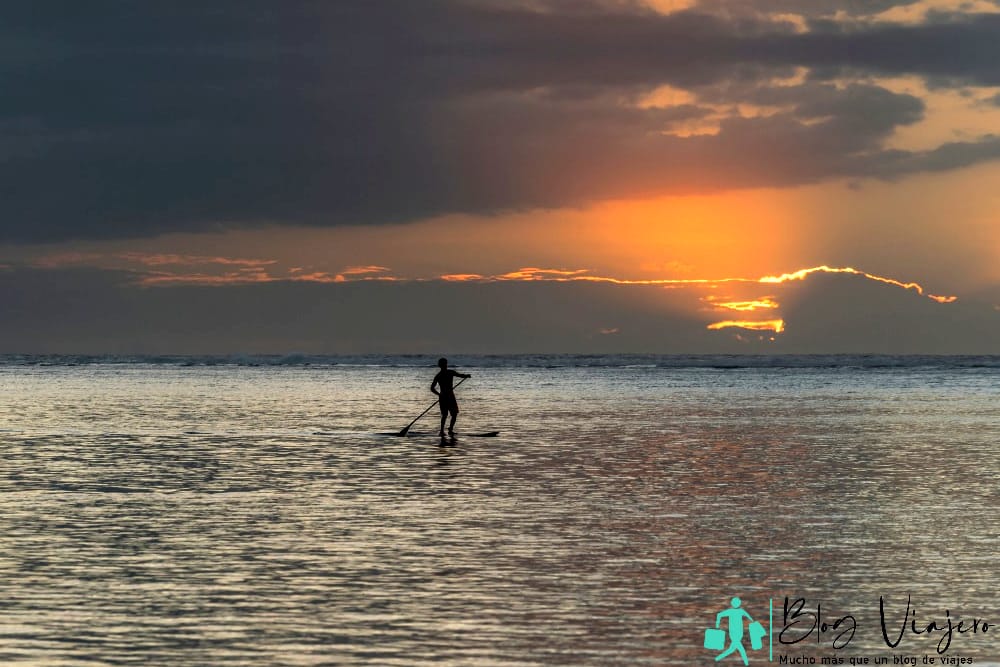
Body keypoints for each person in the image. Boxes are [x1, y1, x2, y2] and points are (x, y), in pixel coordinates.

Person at [431, 358, 471, 437]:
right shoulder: (438, 376)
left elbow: (460, 375)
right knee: (445, 415)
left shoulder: (450, 372)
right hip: (444, 397)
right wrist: (439, 395)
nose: (445, 365)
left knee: (454, 413)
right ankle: (442, 431)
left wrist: (466, 376)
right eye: (443, 364)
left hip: (449, 396)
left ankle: (450, 430)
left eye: (445, 364)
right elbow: (432, 388)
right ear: (441, 365)